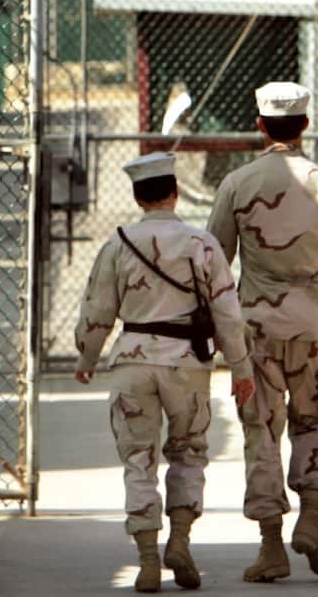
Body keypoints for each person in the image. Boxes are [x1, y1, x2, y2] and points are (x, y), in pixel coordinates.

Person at [206, 82, 318, 584]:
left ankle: (271, 545)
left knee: (261, 429)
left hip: (255, 329)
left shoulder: (238, 183)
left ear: (259, 125)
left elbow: (214, 263)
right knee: (316, 421)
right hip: (315, 326)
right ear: (306, 125)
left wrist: (219, 333)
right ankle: (313, 519)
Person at [75, 152, 255, 593]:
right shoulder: (203, 244)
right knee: (189, 452)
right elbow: (228, 314)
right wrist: (240, 367)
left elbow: (98, 311)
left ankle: (148, 560)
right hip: (187, 363)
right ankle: (180, 539)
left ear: (138, 198)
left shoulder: (117, 243)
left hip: (133, 362)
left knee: (139, 460)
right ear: (174, 193)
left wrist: (87, 358)